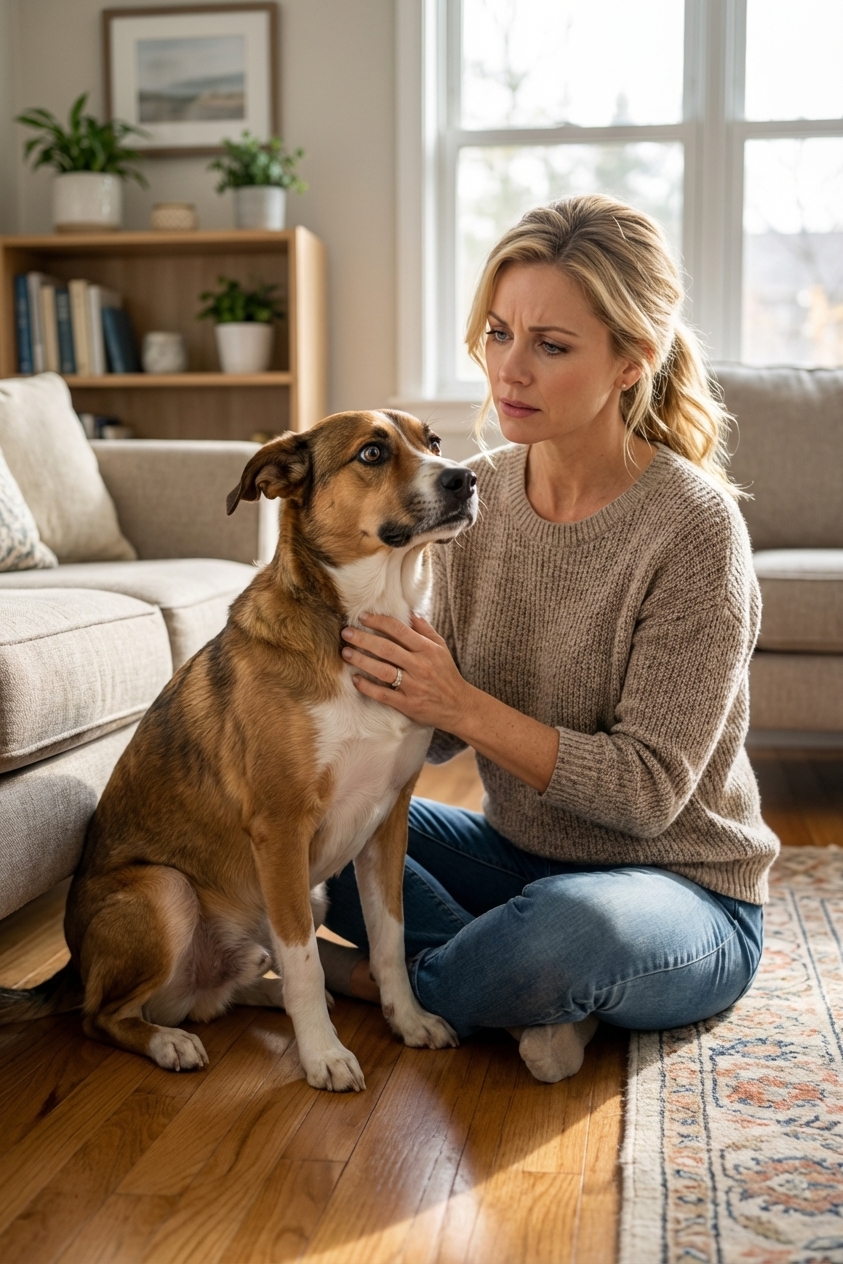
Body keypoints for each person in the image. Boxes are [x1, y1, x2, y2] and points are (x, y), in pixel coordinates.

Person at [318, 194, 779, 1083]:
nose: (508, 371)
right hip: (518, 857)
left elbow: (648, 796)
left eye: (550, 345)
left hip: (681, 890)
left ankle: (390, 982)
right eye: (497, 333)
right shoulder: (470, 496)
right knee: (328, 836)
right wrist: (377, 672)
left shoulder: (694, 529)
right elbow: (442, 729)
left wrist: (458, 699)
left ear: (629, 363)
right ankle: (517, 997)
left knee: (570, 932)